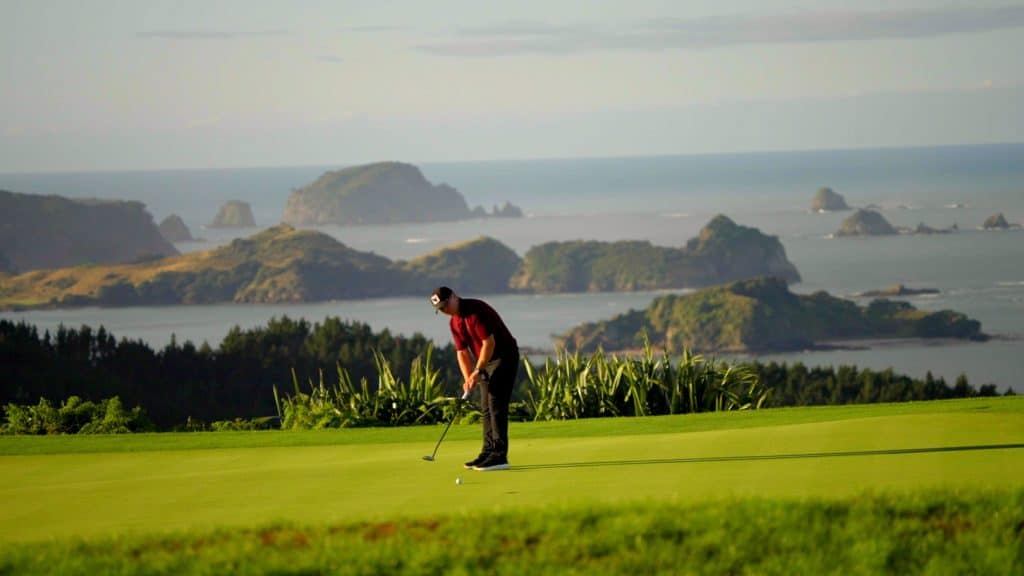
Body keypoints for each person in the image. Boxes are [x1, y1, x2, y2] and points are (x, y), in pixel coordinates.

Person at [431, 286, 519, 471]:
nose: (445, 310)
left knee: (495, 404)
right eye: (441, 309)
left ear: (454, 296)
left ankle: (499, 455)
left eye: (445, 305)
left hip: (504, 356)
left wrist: (477, 370)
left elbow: (489, 343)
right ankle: (488, 451)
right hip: (486, 361)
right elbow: (462, 352)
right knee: (485, 407)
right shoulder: (454, 323)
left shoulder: (475, 311)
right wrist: (468, 378)